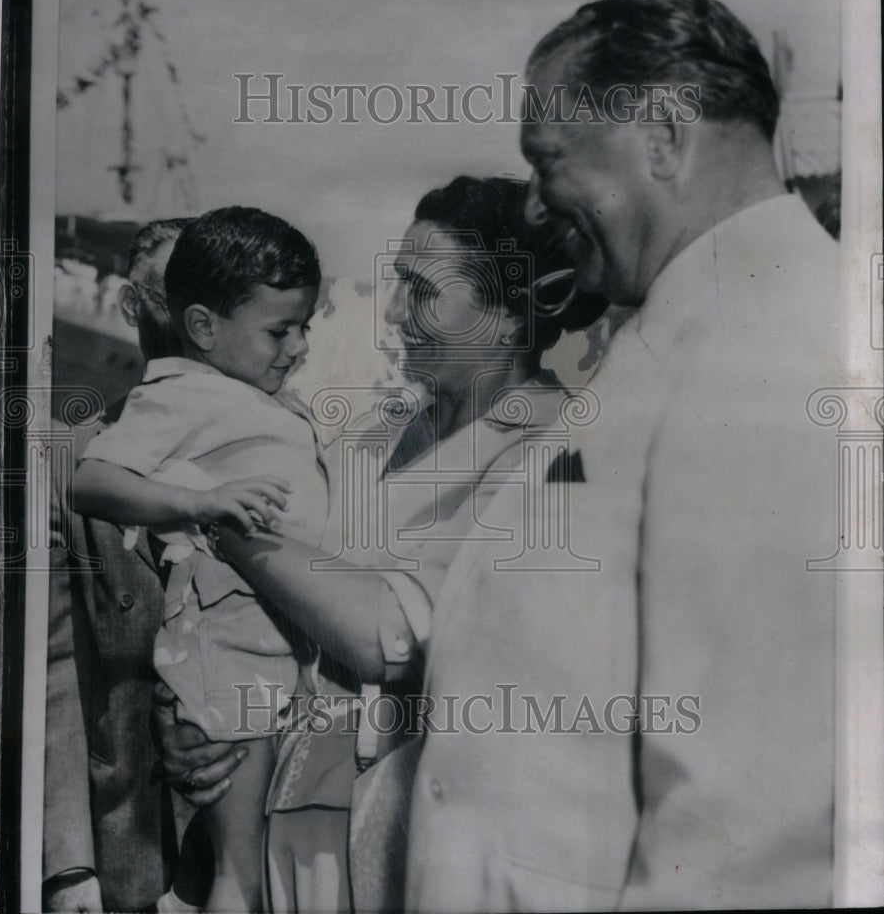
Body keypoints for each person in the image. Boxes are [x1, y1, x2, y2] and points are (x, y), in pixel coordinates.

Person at [401, 0, 840, 910]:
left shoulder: (767, 342)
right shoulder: (695, 324)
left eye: (548, 161)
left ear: (664, 137)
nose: (533, 202)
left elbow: (749, 825)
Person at [154, 176, 608, 912]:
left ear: (505, 313)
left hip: (418, 838)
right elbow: (260, 613)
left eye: (422, 290)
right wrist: (199, 720)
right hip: (289, 811)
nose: (395, 312)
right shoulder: (371, 430)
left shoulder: (554, 453)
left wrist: (225, 520)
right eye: (397, 283)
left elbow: (387, 636)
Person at [74, 206, 327, 914]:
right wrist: (199, 503)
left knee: (267, 870)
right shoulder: (176, 393)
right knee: (240, 874)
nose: (299, 346)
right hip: (229, 658)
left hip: (278, 654)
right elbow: (91, 481)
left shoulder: (262, 402)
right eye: (280, 331)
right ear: (203, 326)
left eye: (304, 326)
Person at [44, 217, 199, 914]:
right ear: (132, 308)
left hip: (248, 858)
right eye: (170, 297)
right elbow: (56, 671)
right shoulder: (68, 460)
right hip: (123, 862)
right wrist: (68, 864)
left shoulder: (284, 450)